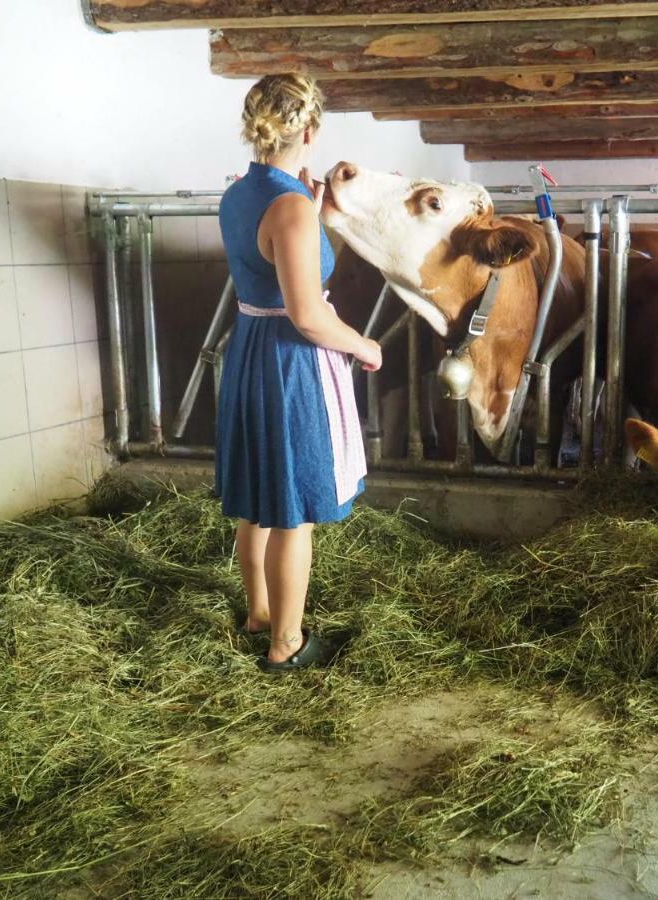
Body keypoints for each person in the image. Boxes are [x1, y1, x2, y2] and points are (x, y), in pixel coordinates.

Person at [215, 73, 382, 672]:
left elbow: (270, 254)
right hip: (289, 358)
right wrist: (365, 345)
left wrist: (305, 206)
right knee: (293, 507)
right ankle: (286, 644)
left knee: (258, 497)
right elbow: (309, 315)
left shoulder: (239, 193)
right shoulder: (290, 208)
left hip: (250, 347)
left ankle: (259, 611)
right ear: (310, 130)